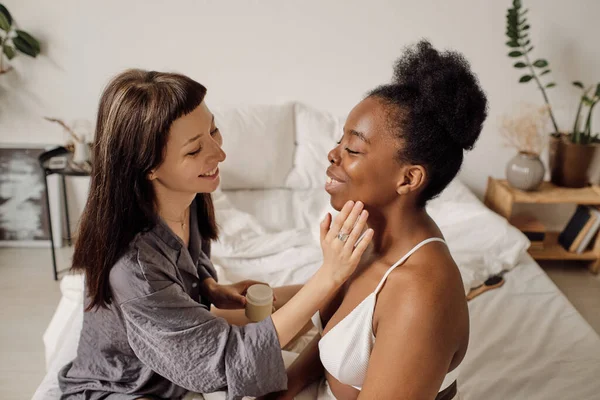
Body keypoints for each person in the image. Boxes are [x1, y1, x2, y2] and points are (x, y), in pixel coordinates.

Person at [57, 69, 374, 400]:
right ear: (148, 165)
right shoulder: (135, 267)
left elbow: (191, 261)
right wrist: (328, 276)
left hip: (169, 368)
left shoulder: (187, 198)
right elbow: (225, 361)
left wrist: (207, 285)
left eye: (214, 131)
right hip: (125, 389)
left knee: (307, 300)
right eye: (194, 150)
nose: (219, 154)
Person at [266, 40, 488, 400]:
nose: (333, 154)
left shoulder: (420, 294)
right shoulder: (367, 237)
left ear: (408, 179)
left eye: (353, 149)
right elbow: (331, 341)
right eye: (340, 141)